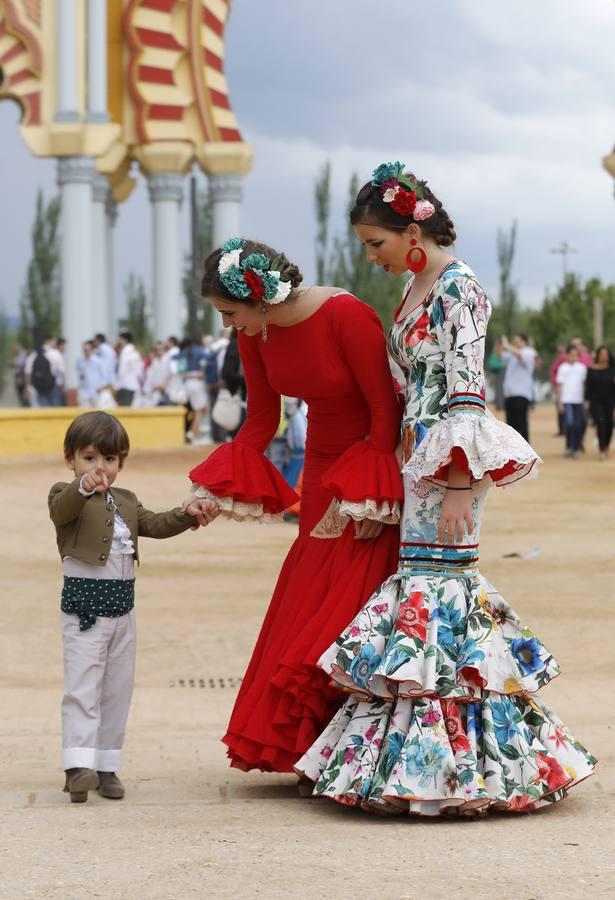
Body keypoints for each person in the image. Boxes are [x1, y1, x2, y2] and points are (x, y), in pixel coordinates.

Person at [294, 161, 595, 816]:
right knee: (427, 591)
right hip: (419, 458)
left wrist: (459, 481)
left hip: (446, 465)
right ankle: (433, 762)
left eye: (374, 243)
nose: (370, 257)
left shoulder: (458, 289)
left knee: (441, 591)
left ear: (410, 231)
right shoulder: (416, 285)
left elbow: (465, 391)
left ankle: (462, 769)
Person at [186, 237, 403, 776]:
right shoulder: (255, 334)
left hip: (367, 468)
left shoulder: (345, 315)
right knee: (314, 594)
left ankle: (352, 753)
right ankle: (315, 749)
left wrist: (373, 499)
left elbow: (384, 408)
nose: (227, 325)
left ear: (259, 297)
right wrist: (214, 487)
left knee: (353, 598)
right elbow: (262, 420)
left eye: (228, 312)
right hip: (318, 468)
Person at [48, 411, 217, 803]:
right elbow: (63, 510)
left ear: (121, 463)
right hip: (84, 609)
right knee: (82, 686)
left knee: (117, 689)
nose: (100, 468)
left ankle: (106, 766)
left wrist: (187, 514)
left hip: (124, 610)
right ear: (70, 459)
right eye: (89, 458)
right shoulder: (63, 492)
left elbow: (155, 524)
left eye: (109, 459)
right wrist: (83, 486)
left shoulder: (126, 500)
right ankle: (77, 766)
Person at [500, 334, 537, 441]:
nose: (515, 343)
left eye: (517, 341)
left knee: (521, 422)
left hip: (521, 394)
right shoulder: (511, 355)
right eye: (514, 341)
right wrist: (502, 344)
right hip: (509, 394)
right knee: (510, 424)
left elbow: (520, 354)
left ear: (524, 342)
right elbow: (501, 355)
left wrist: (507, 345)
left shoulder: (529, 352)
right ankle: (513, 449)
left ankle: (525, 448)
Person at [556, 344, 587, 460]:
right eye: (571, 355)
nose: (573, 357)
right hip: (567, 400)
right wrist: (559, 402)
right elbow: (559, 385)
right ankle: (569, 447)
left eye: (575, 355)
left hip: (578, 400)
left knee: (579, 424)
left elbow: (584, 385)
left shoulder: (582, 368)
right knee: (569, 423)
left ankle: (575, 448)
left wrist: (585, 399)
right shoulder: (563, 368)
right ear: (567, 355)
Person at [585, 346, 615, 460]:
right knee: (600, 423)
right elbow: (588, 387)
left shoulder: (612, 369)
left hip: (610, 401)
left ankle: (606, 445)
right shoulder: (591, 369)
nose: (604, 356)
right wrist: (586, 400)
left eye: (606, 354)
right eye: (602, 354)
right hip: (596, 401)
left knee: (610, 425)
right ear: (598, 355)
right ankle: (601, 450)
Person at [115, 332, 143, 407]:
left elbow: (122, 370)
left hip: (125, 385)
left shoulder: (125, 352)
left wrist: (118, 385)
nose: (119, 342)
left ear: (124, 340)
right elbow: (140, 371)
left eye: (120, 339)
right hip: (135, 385)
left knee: (125, 411)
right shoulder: (136, 352)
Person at [77, 340, 106, 407]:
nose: (86, 352)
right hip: (84, 391)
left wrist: (102, 386)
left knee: (96, 413)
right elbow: (80, 375)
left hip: (96, 391)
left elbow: (104, 375)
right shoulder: (80, 361)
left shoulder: (98, 361)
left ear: (92, 350)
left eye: (87, 350)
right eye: (84, 350)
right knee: (84, 413)